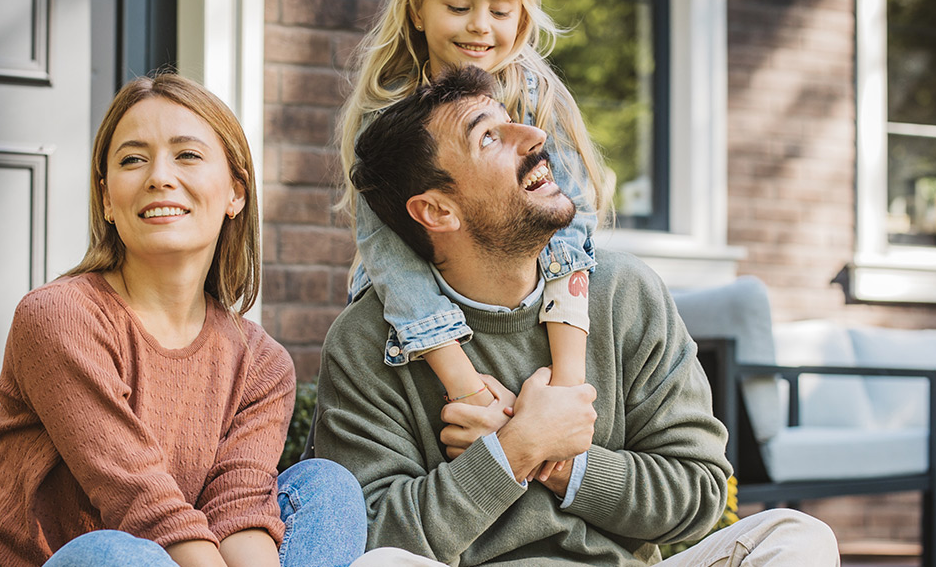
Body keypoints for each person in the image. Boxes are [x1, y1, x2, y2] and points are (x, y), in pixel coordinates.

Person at [314, 66, 840, 566]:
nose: (534, 137)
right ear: (437, 211)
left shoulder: (625, 293)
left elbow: (699, 493)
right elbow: (373, 534)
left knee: (795, 539)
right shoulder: (366, 341)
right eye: (489, 138)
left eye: (513, 120)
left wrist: (563, 461)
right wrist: (513, 450)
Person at [0, 74, 366, 567]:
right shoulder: (60, 317)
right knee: (113, 555)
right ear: (106, 200)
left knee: (328, 488)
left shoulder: (262, 365)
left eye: (187, 155)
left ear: (235, 192)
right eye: (133, 159)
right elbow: (141, 503)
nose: (159, 176)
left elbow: (238, 516)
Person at [337, 0, 607, 452]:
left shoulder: (538, 96)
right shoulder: (387, 116)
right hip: (413, 309)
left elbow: (568, 228)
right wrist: (470, 392)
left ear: (522, 18)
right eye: (459, 7)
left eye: (501, 12)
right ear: (417, 9)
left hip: (537, 301)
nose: (481, 26)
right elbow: (393, 265)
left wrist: (567, 387)